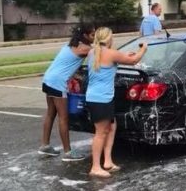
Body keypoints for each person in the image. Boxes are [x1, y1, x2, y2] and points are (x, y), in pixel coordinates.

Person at [86, 27, 147, 178]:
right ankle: (95, 166)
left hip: (98, 97)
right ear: (108, 38)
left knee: (111, 127)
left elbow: (118, 58)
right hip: (101, 99)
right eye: (112, 36)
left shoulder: (93, 52)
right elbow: (133, 61)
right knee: (100, 133)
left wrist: (127, 55)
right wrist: (143, 49)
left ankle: (107, 161)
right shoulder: (110, 53)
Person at [39, 23, 95, 161]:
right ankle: (68, 152)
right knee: (64, 118)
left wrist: (77, 77)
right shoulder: (85, 48)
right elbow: (101, 54)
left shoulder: (72, 44)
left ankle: (45, 146)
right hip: (58, 83)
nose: (94, 38)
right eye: (92, 35)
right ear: (85, 35)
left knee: (51, 114)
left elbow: (67, 65)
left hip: (48, 79)